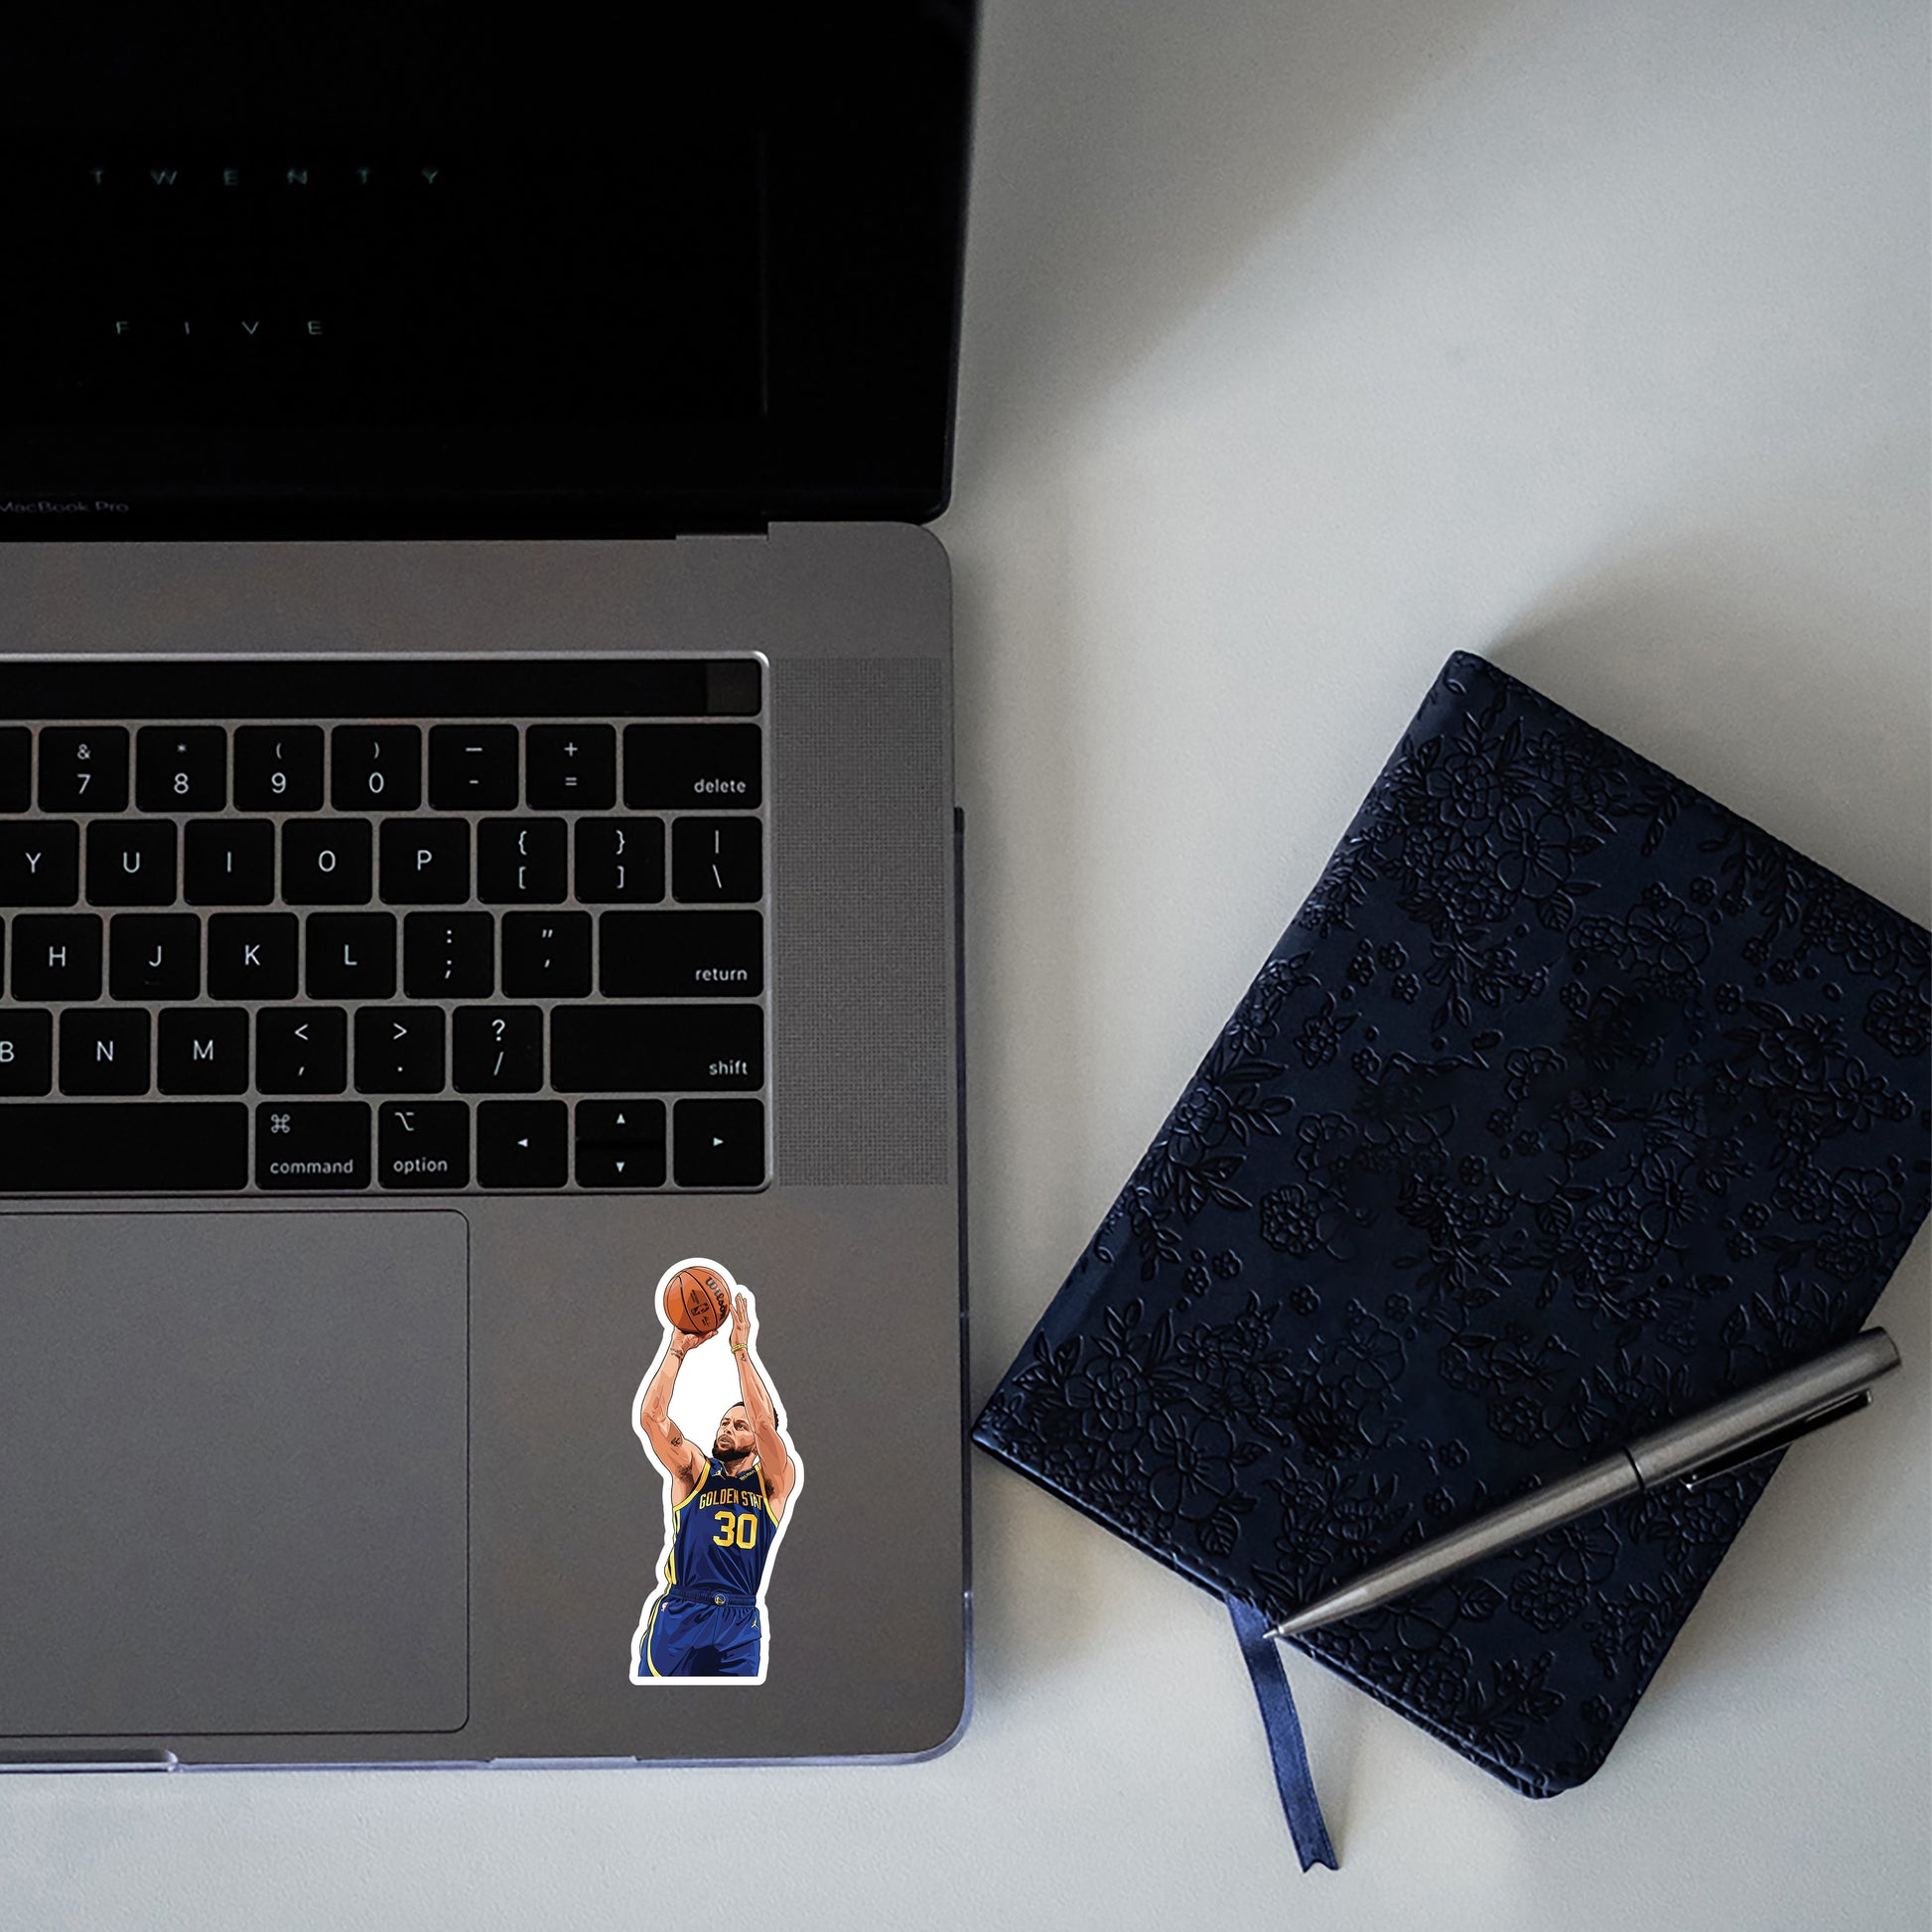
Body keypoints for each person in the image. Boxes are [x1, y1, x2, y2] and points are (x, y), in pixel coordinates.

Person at [632, 1289, 799, 1680]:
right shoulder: (695, 1471)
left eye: (739, 1425)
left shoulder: (774, 1482)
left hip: (739, 1622)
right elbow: (652, 1419)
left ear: (757, 1444)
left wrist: (741, 1350)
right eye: (724, 1422)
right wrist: (676, 1349)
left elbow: (764, 1423)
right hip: (683, 1612)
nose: (727, 1428)